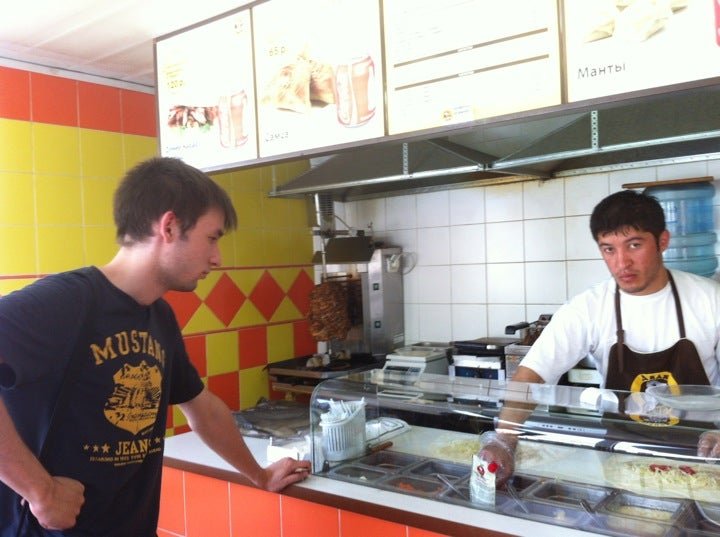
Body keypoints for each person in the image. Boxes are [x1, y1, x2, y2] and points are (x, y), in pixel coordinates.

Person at [0, 157, 311, 536]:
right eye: (212, 238)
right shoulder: (68, 302)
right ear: (169, 226)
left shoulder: (157, 315)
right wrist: (41, 490)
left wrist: (260, 475)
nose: (217, 258)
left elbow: (204, 410)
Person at [480, 188, 720, 486]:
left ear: (662, 241)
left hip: (702, 460)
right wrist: (504, 438)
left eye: (634, 245)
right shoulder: (589, 307)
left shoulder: (710, 299)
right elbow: (531, 376)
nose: (622, 263)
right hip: (622, 462)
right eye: (609, 249)